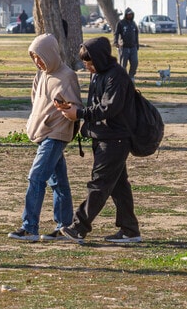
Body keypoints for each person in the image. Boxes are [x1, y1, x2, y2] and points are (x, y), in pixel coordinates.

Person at [56, 36, 142, 244]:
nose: (87, 66)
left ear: (101, 58)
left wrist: (81, 114)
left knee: (100, 183)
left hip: (115, 139)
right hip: (103, 137)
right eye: (85, 62)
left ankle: (79, 227)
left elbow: (109, 108)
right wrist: (74, 110)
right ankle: (130, 229)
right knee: (118, 186)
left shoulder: (117, 77)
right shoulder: (100, 74)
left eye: (89, 62)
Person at [7, 33, 83, 242]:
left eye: (40, 57)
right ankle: (64, 227)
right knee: (58, 182)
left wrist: (68, 108)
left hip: (56, 135)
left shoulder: (67, 76)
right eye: (34, 57)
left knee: (36, 177)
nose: (37, 61)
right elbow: (36, 101)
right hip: (42, 133)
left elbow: (76, 105)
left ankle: (29, 227)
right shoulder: (40, 75)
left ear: (50, 53)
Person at [113, 7, 139, 81]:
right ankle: (123, 78)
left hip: (133, 47)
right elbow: (116, 33)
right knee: (123, 64)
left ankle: (131, 76)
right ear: (125, 15)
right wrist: (116, 42)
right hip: (124, 47)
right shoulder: (121, 23)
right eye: (128, 14)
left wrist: (137, 44)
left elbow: (136, 34)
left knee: (135, 62)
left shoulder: (133, 24)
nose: (129, 16)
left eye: (131, 14)